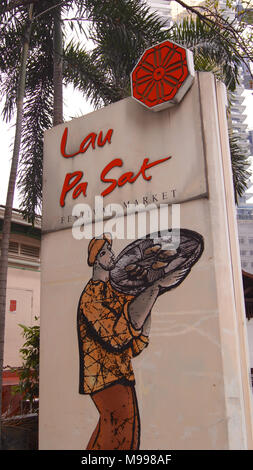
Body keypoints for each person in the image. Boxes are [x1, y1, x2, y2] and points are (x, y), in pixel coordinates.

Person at [77, 233, 185, 450]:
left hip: (120, 373)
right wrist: (154, 288)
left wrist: (152, 291)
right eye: (105, 251)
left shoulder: (113, 292)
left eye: (110, 250)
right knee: (121, 435)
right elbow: (116, 337)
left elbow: (132, 340)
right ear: (96, 259)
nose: (112, 255)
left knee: (116, 433)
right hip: (103, 377)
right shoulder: (91, 296)